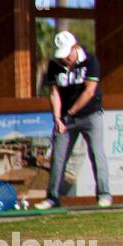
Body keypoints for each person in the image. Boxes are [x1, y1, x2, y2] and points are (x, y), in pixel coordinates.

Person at [43, 31, 111, 209]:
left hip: (90, 114)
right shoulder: (54, 65)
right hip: (65, 118)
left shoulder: (90, 60)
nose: (65, 59)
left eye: (67, 54)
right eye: (62, 56)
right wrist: (57, 118)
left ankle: (104, 194)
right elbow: (54, 93)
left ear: (75, 47)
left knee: (97, 154)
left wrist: (71, 112)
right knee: (58, 156)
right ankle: (52, 197)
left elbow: (89, 91)